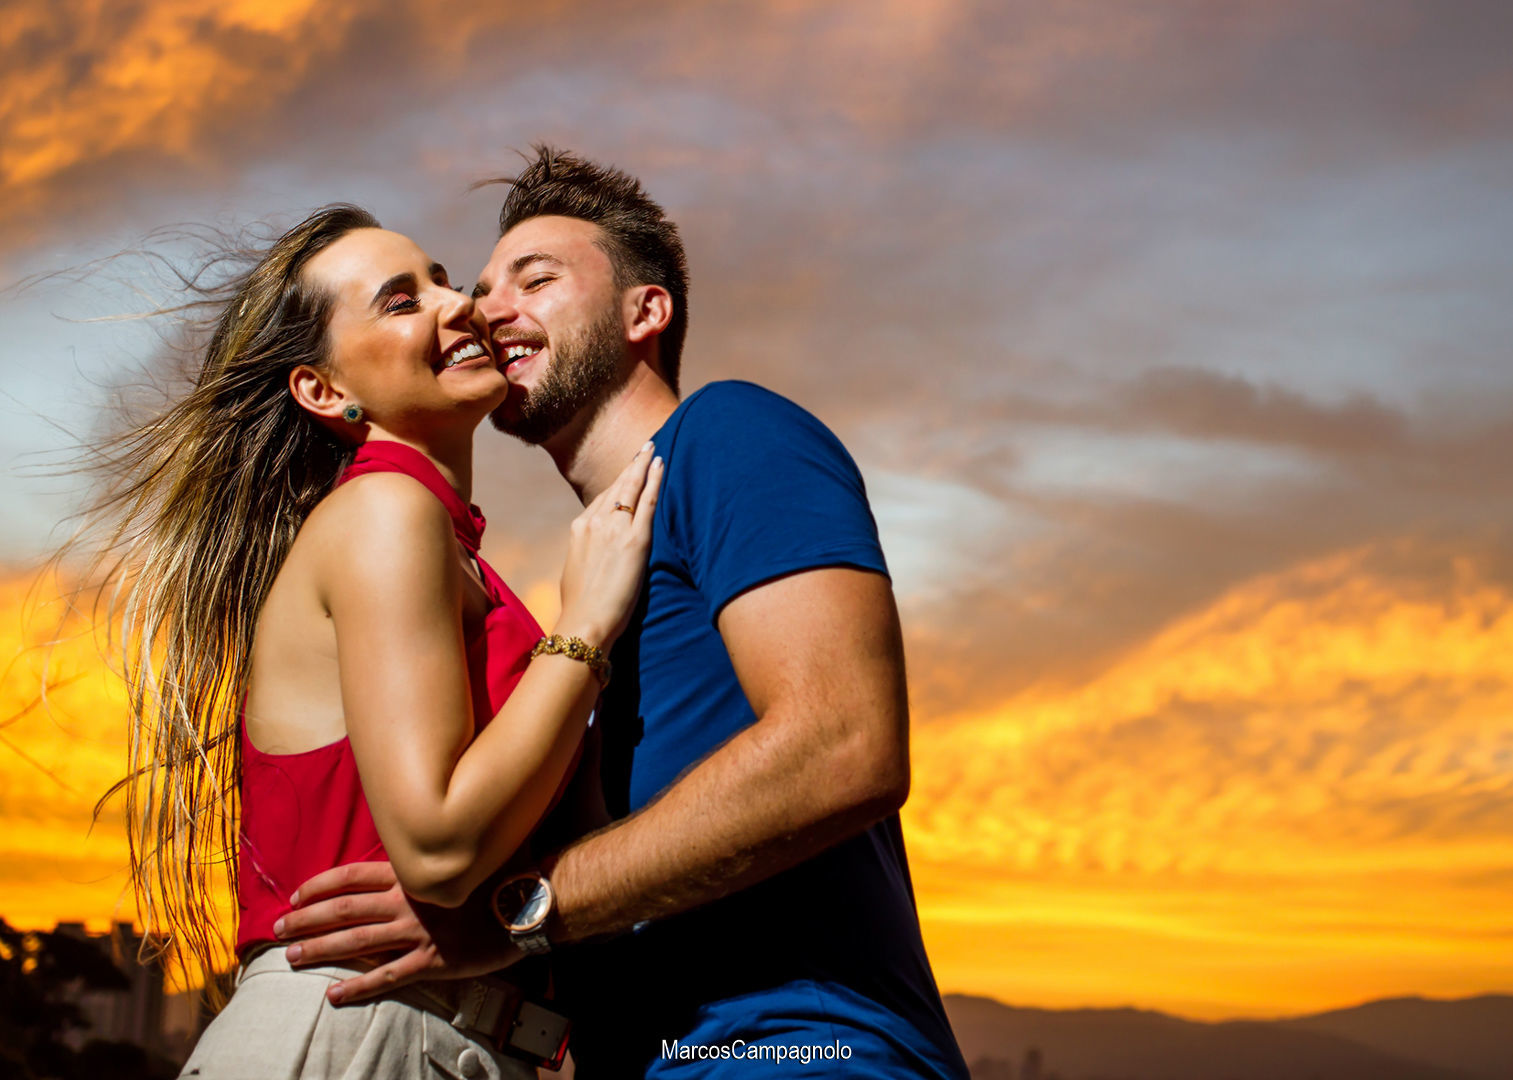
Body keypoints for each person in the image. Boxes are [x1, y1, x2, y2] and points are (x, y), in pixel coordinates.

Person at [277, 150, 971, 1078]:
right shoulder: (589, 588)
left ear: (644, 312)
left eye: (538, 279)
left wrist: (520, 914)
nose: (485, 310)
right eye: (481, 288)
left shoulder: (727, 434)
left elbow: (843, 744)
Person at [68, 205, 662, 1078]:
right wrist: (584, 628)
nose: (457, 306)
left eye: (440, 279)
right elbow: (437, 846)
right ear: (323, 389)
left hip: (432, 1038)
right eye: (398, 300)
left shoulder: (447, 552)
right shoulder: (386, 512)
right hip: (358, 1029)